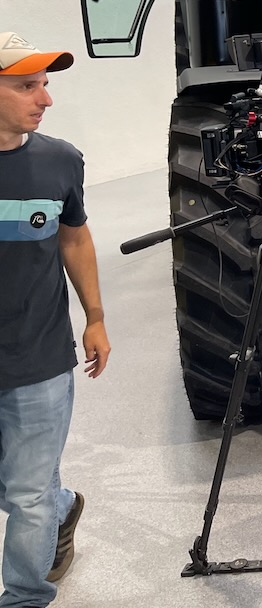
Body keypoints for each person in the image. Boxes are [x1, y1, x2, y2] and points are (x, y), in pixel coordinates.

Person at [0, 32, 111, 605]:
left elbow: (74, 238)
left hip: (39, 356)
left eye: (44, 84)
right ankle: (61, 506)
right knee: (25, 487)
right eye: (27, 86)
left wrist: (95, 316)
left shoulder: (60, 160)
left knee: (26, 495)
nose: (45, 99)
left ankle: (23, 597)